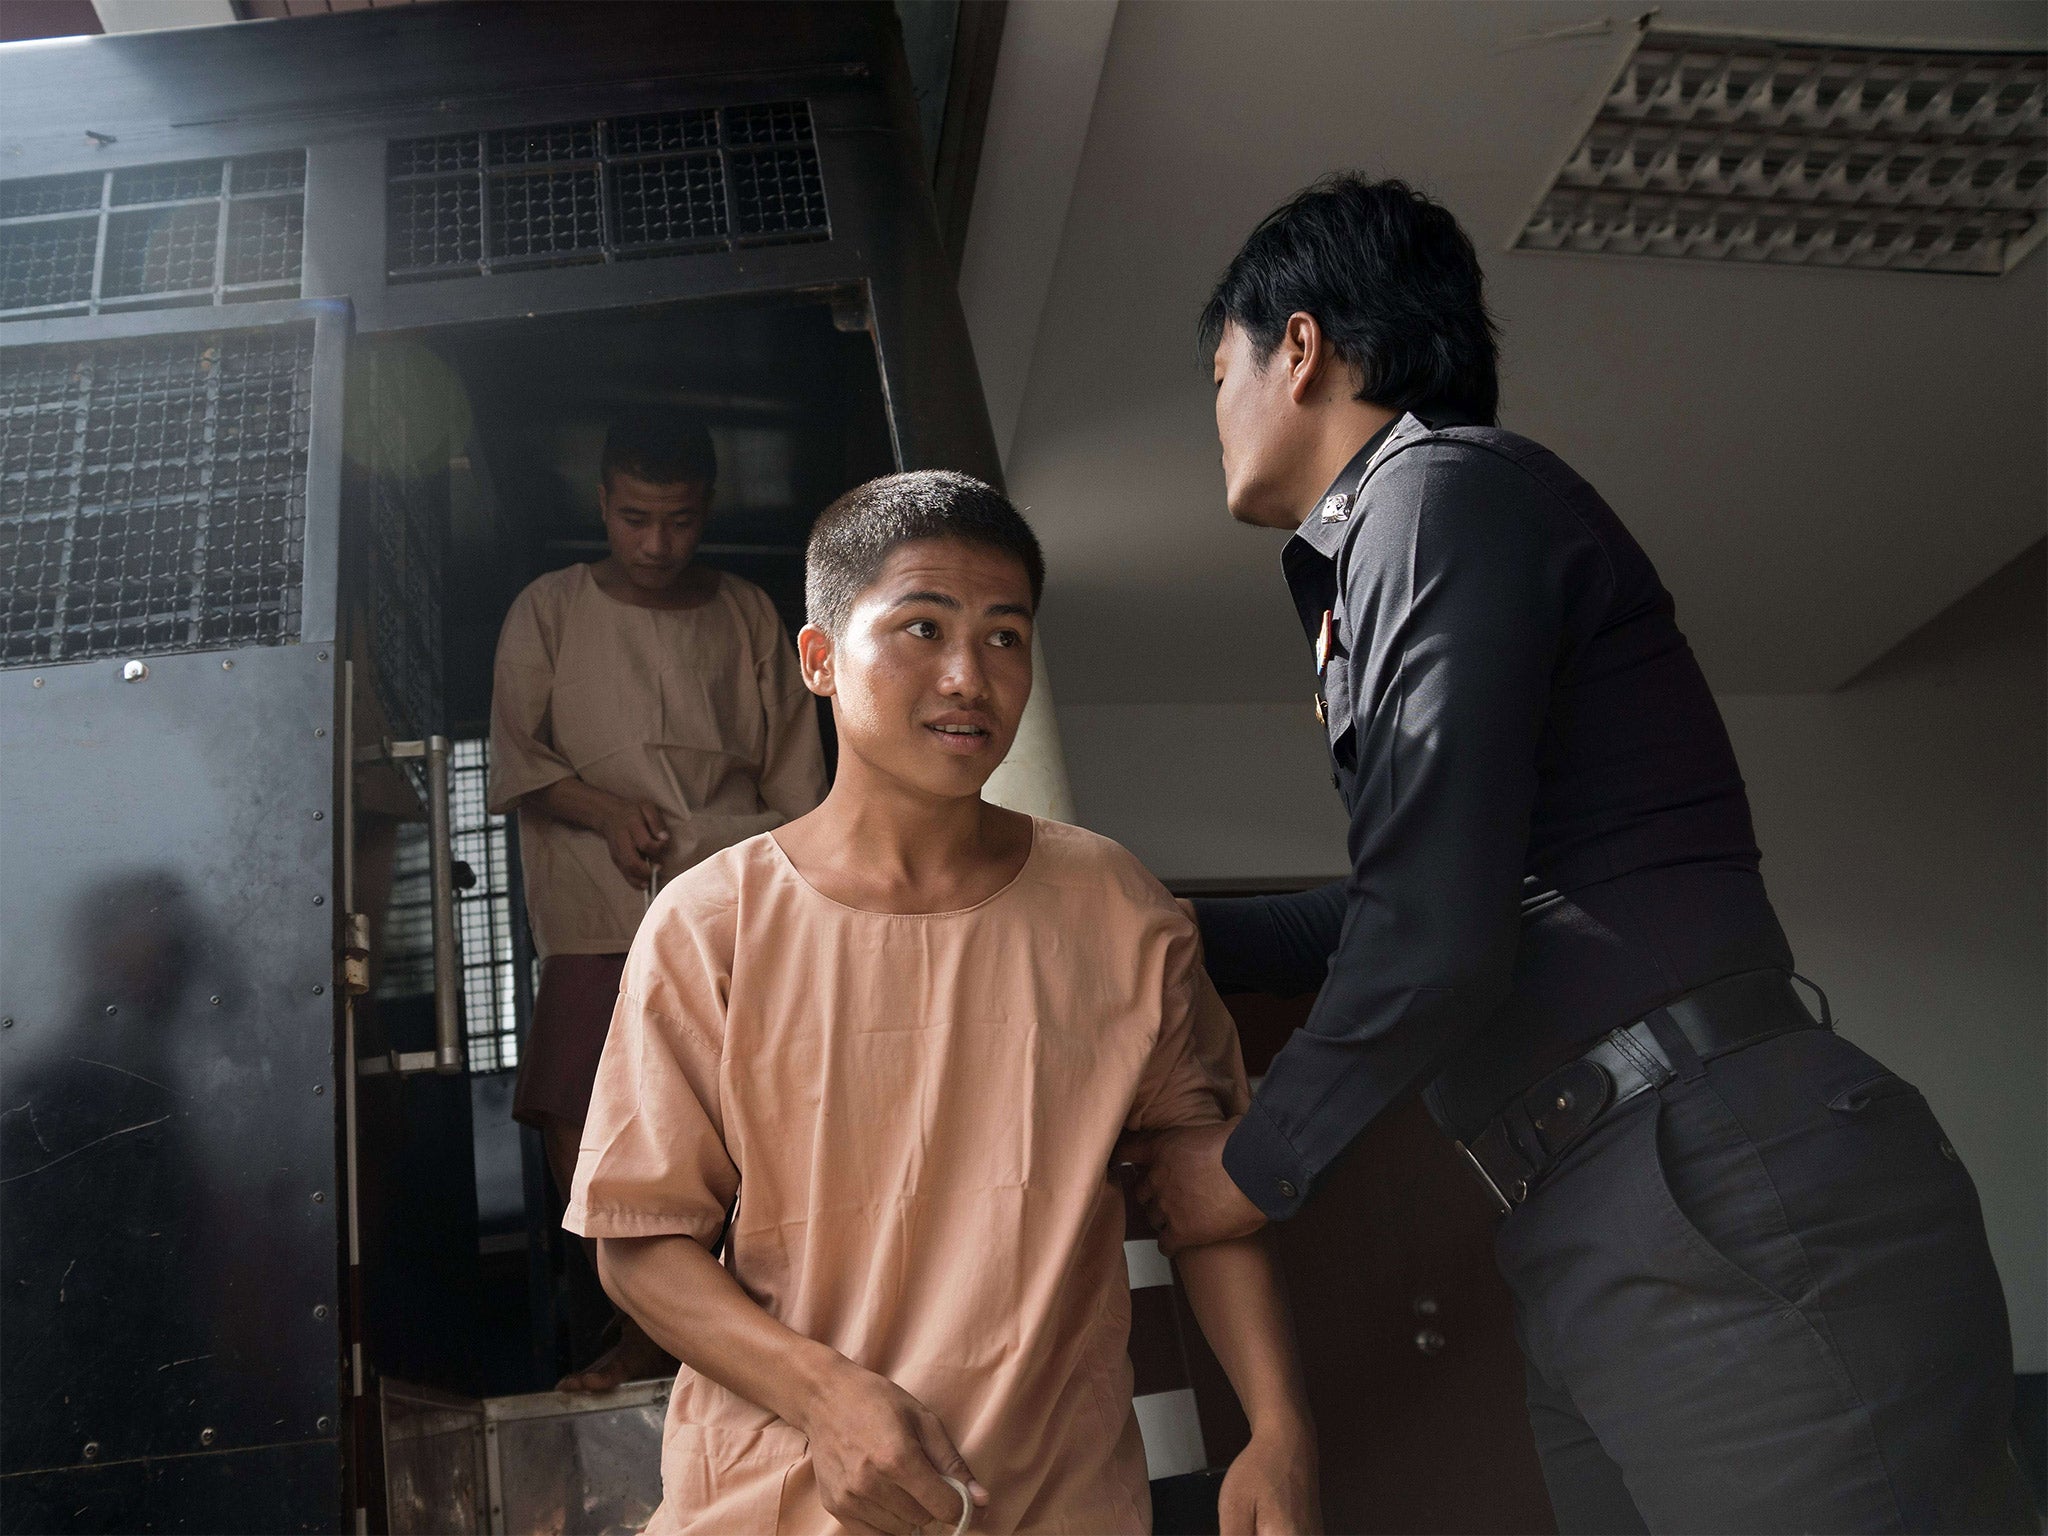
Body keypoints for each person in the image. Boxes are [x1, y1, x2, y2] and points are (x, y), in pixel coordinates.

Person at [1118, 175, 2035, 1533]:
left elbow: (1433, 932)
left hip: (1711, 1178)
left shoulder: (1434, 493)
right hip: (1606, 1202)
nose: (1216, 414)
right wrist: (1128, 919)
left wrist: (1251, 1167)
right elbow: (1409, 903)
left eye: (1217, 372)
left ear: (1297, 347)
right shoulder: (1403, 533)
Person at [564, 471, 1320, 1535]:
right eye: (921, 627)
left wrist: (1277, 1432)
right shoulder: (710, 927)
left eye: (1005, 637)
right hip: (778, 1504)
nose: (968, 675)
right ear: (819, 660)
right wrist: (824, 1395)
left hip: (1059, 1504)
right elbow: (638, 1240)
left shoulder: (1115, 908)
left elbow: (1201, 1200)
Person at [489, 409, 827, 1391]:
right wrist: (595, 808)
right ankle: (645, 1330)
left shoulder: (748, 614)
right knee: (578, 1113)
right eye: (634, 517)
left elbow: (798, 789)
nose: (655, 543)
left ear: (706, 510)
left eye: (677, 521)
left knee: (740, 1120)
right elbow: (516, 760)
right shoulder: (545, 610)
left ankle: (745, 1330)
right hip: (596, 911)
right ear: (600, 503)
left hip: (735, 908)